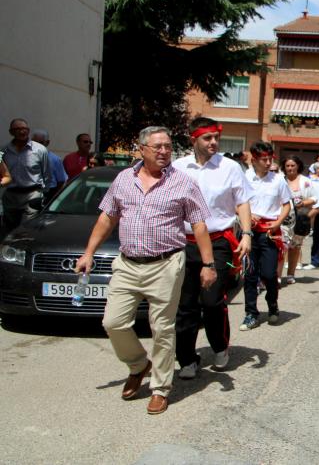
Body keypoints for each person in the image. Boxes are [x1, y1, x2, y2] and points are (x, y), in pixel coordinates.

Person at [75, 126, 214, 415]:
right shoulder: (123, 179)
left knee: (162, 328)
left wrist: (208, 264)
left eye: (167, 146)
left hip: (166, 263)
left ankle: (161, 388)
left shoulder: (183, 183)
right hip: (127, 264)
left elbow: (199, 225)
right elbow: (107, 217)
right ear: (141, 150)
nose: (164, 151)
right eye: (157, 146)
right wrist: (88, 252)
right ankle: (139, 365)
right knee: (113, 322)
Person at [171, 118, 254, 378]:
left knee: (212, 299)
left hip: (219, 242)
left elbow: (242, 203)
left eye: (216, 137)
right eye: (207, 138)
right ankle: (186, 359)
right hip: (184, 242)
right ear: (193, 138)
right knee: (185, 305)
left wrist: (247, 233)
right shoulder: (177, 168)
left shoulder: (230, 167)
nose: (214, 143)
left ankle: (219, 345)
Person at [240, 141, 291, 331]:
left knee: (269, 274)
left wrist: (278, 222)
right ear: (254, 159)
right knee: (250, 275)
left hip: (270, 233)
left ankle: (272, 305)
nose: (268, 162)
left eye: (271, 158)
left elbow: (287, 204)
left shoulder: (278, 179)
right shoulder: (243, 178)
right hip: (249, 233)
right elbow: (235, 202)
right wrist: (245, 214)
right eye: (264, 159)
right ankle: (250, 313)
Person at [1, 118, 49, 236]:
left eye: (24, 129)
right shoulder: (4, 151)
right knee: (9, 230)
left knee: (26, 229)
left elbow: (46, 174)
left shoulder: (40, 150)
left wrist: (43, 194)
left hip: (32, 194)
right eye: (18, 129)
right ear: (11, 132)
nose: (22, 132)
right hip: (12, 195)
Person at [283, 156, 318, 279]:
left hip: (299, 221)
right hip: (283, 221)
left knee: (294, 248)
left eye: (292, 165)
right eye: (287, 166)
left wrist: (303, 203)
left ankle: (290, 275)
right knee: (281, 248)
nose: (290, 168)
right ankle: (275, 277)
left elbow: (314, 198)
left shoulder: (305, 181)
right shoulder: (280, 180)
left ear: (298, 166)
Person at [31, 129, 67, 201]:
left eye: (41, 142)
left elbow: (61, 180)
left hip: (48, 193)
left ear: (47, 143)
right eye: (35, 143)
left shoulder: (55, 159)